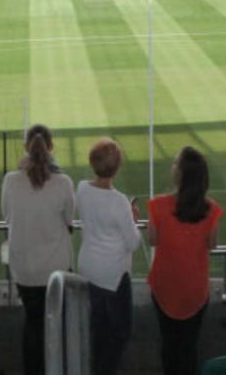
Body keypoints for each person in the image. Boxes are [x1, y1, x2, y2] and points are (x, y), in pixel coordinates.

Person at [1, 123, 74, 375]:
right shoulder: (63, 182)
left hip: (24, 270)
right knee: (56, 324)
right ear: (51, 148)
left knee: (33, 323)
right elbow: (69, 220)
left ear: (26, 148)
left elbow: (7, 215)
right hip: (56, 271)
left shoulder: (11, 181)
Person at [147, 146, 222, 375]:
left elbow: (152, 240)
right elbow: (212, 244)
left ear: (179, 173)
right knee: (189, 346)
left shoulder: (157, 206)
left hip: (165, 286)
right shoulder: (212, 209)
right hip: (195, 290)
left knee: (169, 344)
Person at [77, 138, 141, 375]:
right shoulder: (119, 202)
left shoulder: (82, 188)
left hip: (89, 268)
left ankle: (96, 367)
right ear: (117, 167)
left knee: (99, 326)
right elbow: (133, 242)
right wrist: (133, 220)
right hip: (113, 274)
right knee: (121, 332)